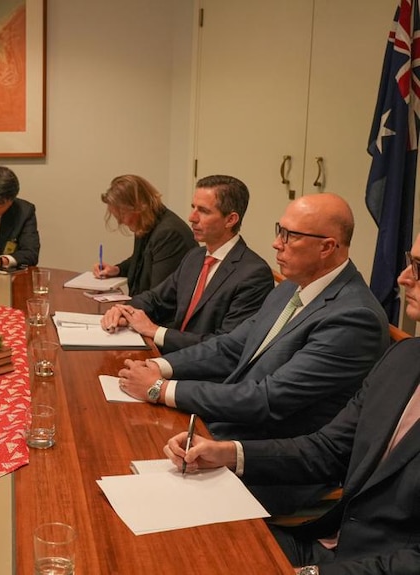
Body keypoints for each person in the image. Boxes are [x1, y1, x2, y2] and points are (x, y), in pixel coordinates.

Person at [163, 235, 420, 575]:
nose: (403, 277)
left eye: (418, 266)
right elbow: (327, 450)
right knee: (179, 542)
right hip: (324, 543)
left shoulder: (357, 316)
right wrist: (227, 453)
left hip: (366, 562)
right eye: (408, 260)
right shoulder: (405, 356)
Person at [118, 193, 389, 513]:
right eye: (280, 230)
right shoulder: (292, 286)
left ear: (327, 247)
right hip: (221, 431)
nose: (276, 243)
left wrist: (160, 389)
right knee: (118, 451)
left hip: (270, 465)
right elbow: (231, 346)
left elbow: (269, 398)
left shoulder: (354, 317)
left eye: (290, 236)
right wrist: (158, 365)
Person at [101, 175, 273, 352]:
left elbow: (225, 346)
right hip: (172, 354)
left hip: (200, 370)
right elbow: (155, 298)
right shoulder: (196, 257)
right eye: (193, 208)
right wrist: (123, 310)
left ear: (230, 220)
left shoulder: (254, 274)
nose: (192, 217)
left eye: (204, 211)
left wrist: (155, 331)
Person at [94, 174, 197, 296]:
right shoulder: (147, 222)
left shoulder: (169, 234)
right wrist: (117, 270)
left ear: (138, 207)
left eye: (122, 215)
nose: (121, 222)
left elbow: (159, 297)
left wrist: (122, 309)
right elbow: (143, 260)